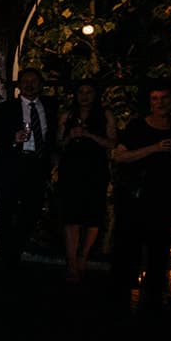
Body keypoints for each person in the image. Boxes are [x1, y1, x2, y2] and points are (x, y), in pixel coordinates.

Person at [110, 86, 171, 306]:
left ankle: (153, 295)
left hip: (164, 196)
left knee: (159, 248)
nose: (159, 103)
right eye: (155, 99)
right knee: (128, 245)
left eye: (164, 98)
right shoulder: (137, 126)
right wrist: (154, 148)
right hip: (136, 195)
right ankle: (121, 294)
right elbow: (120, 156)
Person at [0, 67, 57, 266]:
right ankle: (7, 257)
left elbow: (53, 139)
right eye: (25, 81)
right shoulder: (4, 109)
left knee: (32, 212)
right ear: (19, 85)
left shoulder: (50, 108)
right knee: (5, 213)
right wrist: (12, 139)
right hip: (10, 166)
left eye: (34, 81)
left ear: (40, 85)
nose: (29, 84)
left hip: (36, 166)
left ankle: (16, 247)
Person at [54, 80, 115, 283]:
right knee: (71, 217)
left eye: (89, 92)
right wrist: (70, 137)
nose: (85, 96)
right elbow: (59, 144)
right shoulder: (67, 115)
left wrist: (89, 135)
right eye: (81, 91)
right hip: (71, 170)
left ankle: (83, 257)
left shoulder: (104, 115)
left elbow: (112, 143)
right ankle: (71, 263)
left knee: (92, 217)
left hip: (95, 170)